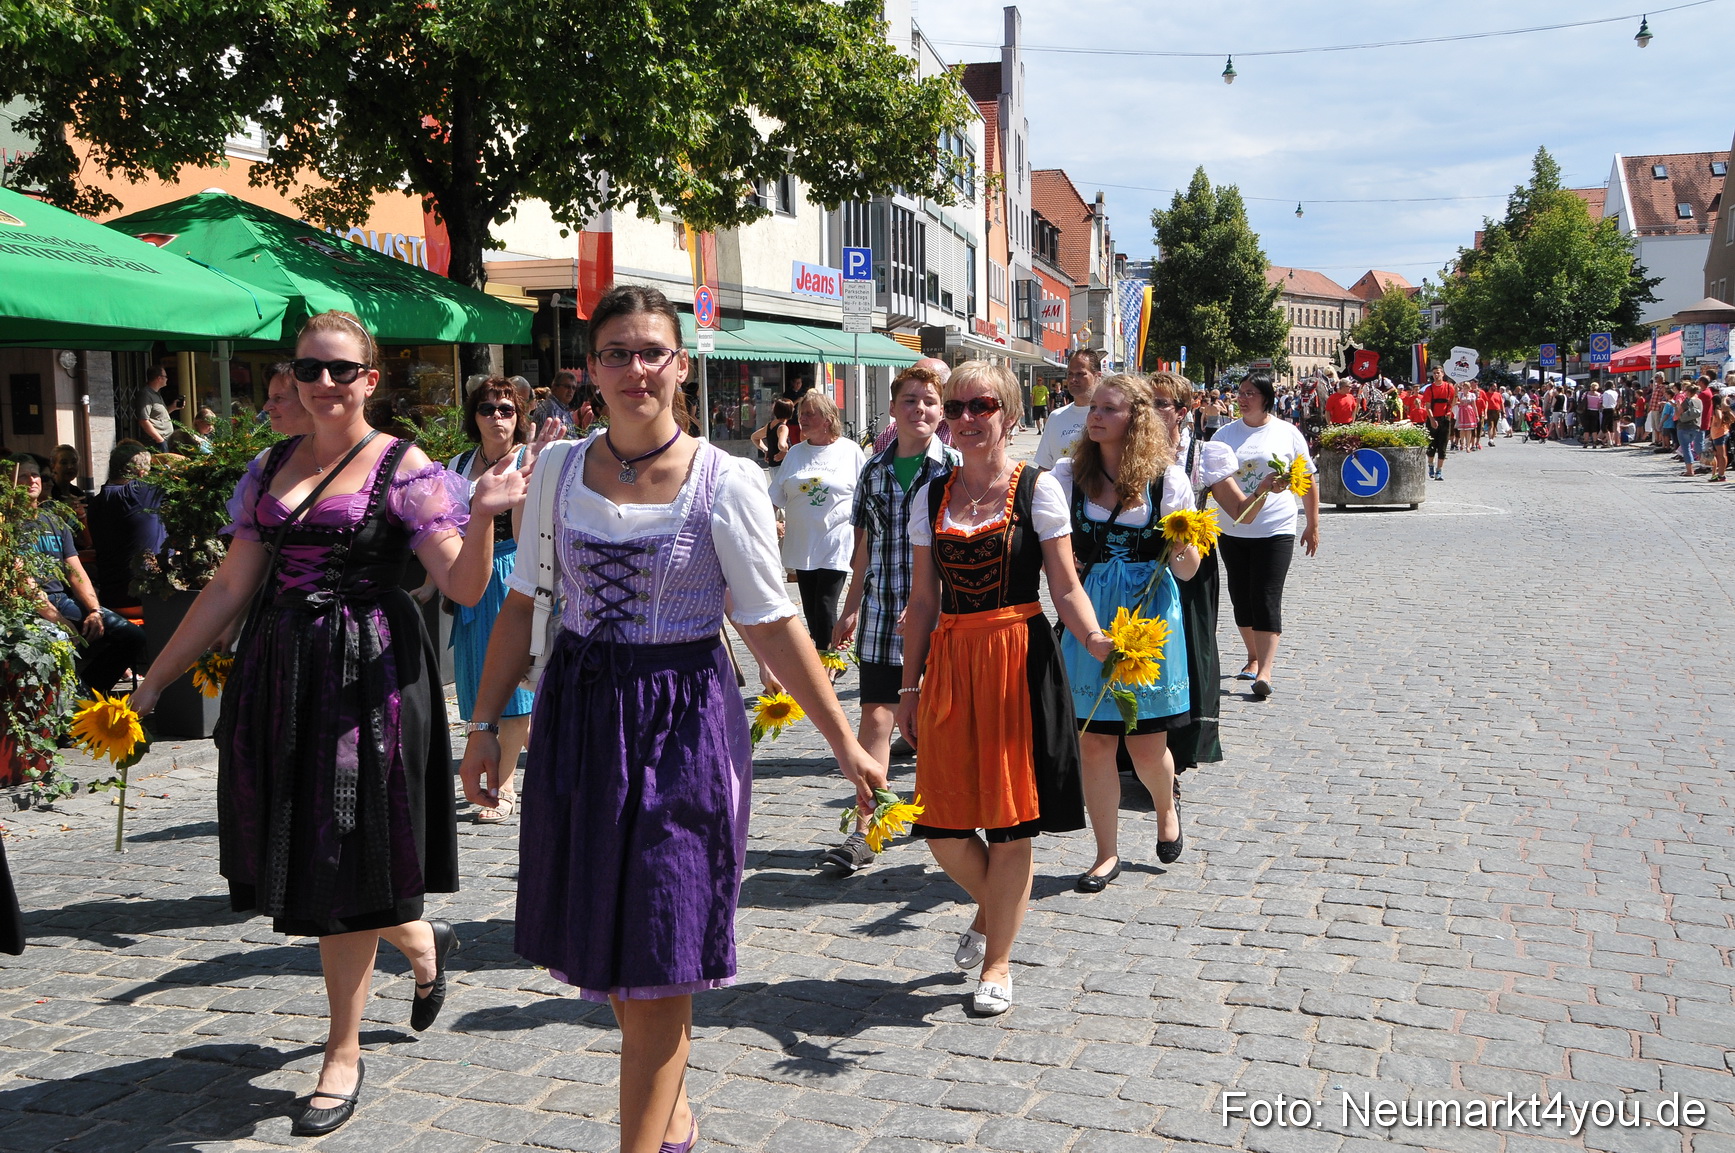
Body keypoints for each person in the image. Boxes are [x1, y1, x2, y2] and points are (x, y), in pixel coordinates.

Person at [458, 283, 884, 1153]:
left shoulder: (723, 480)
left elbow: (771, 622)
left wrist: (843, 741)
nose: (634, 368)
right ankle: (675, 1117)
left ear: (681, 365)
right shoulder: (558, 471)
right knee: (611, 958)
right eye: (616, 352)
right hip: (579, 721)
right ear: (590, 369)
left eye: (651, 351)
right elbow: (523, 605)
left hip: (681, 723)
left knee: (658, 960)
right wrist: (483, 725)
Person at [130, 310, 528, 1138]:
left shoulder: (405, 466)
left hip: (371, 678)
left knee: (343, 849)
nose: (322, 384)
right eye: (309, 369)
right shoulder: (269, 463)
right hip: (283, 675)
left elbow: (459, 587)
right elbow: (229, 589)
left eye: (341, 370)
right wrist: (157, 677)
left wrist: (485, 512)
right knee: (322, 847)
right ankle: (421, 941)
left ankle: (340, 1049)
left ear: (369, 380)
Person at [896, 361, 1112, 1017]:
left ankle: (997, 960)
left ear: (1008, 415)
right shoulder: (927, 497)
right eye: (954, 407)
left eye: (979, 406)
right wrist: (908, 687)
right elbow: (922, 599)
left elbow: (1065, 587)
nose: (964, 418)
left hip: (1018, 656)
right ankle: (993, 912)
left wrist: (1099, 641)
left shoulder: (1037, 490)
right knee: (940, 824)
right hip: (953, 661)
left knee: (1012, 825)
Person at [1052, 373, 1199, 892]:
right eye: (1094, 407)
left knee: (1144, 745)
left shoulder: (1166, 480)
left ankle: (1165, 807)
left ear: (1135, 419)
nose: (1095, 416)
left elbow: (1188, 570)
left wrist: (1182, 539)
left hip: (1148, 618)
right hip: (1090, 616)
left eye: (1109, 409)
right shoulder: (1069, 474)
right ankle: (1105, 853)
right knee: (1094, 744)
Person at [827, 365, 960, 873]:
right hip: (883, 614)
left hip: (940, 616)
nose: (919, 409)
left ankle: (945, 819)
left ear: (940, 411)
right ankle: (869, 828)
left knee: (936, 723)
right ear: (893, 409)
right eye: (910, 400)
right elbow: (863, 547)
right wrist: (851, 606)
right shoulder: (874, 470)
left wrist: (934, 601)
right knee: (876, 719)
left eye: (929, 401)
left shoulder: (951, 469)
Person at [438, 377, 541, 823]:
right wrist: (432, 581)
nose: (496, 417)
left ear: (519, 417)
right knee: (476, 679)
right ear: (473, 416)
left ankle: (504, 784)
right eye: (487, 409)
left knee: (514, 686)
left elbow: (524, 536)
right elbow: (442, 530)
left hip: (514, 571)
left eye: (506, 409)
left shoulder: (528, 460)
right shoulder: (457, 464)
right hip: (469, 575)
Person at [1209, 372, 1319, 700]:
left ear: (1267, 398)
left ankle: (1265, 670)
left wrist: (1312, 523)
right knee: (1240, 595)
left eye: (1250, 393)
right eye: (1240, 393)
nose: (1242, 399)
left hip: (1276, 526)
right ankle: (1252, 656)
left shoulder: (1286, 432)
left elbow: (1308, 478)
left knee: (1266, 594)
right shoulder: (1225, 435)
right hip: (1233, 526)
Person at [13, 454, 149, 698]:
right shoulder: (8, 525)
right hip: (29, 608)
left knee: (132, 636)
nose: (32, 480)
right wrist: (59, 621)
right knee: (59, 639)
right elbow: (24, 583)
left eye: (36, 475)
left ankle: (86, 694)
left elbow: (76, 572)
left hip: (63, 601)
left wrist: (95, 610)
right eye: (23, 475)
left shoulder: (53, 521)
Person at [1155, 371, 1236, 780]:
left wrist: (1268, 487)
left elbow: (1237, 510)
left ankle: (1183, 749)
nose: (1150, 413)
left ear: (1183, 412)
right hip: (1143, 560)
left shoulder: (1203, 454)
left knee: (1190, 644)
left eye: (1161, 404)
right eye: (1145, 404)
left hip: (1192, 559)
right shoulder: (1128, 450)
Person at [770, 391, 866, 658]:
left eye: (810, 413)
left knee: (825, 604)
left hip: (836, 540)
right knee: (811, 610)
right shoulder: (795, 454)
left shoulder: (850, 451)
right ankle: (827, 654)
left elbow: (867, 496)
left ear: (828, 419)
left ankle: (829, 661)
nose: (803, 419)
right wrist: (769, 521)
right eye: (801, 414)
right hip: (802, 543)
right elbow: (774, 497)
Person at [84, 442, 165, 610]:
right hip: (150, 600)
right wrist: (157, 458)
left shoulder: (96, 503)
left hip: (111, 599)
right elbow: (181, 465)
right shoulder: (140, 492)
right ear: (142, 473)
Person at [1034, 349, 1103, 468]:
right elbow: (1044, 467)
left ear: (1097, 376)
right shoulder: (1056, 417)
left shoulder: (1106, 416)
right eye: (1070, 374)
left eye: (1080, 374)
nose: (1073, 379)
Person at [1421, 366, 1455, 479]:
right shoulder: (1429, 389)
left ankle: (1439, 471)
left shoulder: (1449, 387)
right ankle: (1431, 465)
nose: (1436, 375)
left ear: (1443, 374)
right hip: (1433, 418)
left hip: (1445, 419)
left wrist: (1457, 392)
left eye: (1438, 373)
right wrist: (1432, 420)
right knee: (1431, 446)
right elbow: (1428, 406)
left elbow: (1452, 403)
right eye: (1434, 373)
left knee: (1443, 445)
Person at [137, 365, 178, 450]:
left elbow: (158, 416)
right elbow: (143, 420)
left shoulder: (156, 394)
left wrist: (173, 407)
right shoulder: (146, 394)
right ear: (159, 378)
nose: (167, 379)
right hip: (156, 442)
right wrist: (160, 440)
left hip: (165, 440)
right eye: (165, 376)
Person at [533, 370, 581, 436]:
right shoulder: (549, 409)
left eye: (573, 388)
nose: (571, 391)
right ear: (555, 388)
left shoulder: (564, 409)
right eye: (567, 386)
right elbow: (551, 443)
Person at [751, 397, 794, 467]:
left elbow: (754, 437)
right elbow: (782, 445)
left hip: (772, 466)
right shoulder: (783, 428)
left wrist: (765, 450)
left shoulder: (770, 425)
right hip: (783, 467)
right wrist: (786, 450)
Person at [1677, 380, 1705, 477]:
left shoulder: (1687, 401)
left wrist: (1678, 405)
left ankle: (1690, 470)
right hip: (1696, 426)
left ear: (1688, 392)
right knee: (1698, 447)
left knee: (1686, 448)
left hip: (1684, 426)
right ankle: (1706, 465)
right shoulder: (1699, 401)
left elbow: (1678, 414)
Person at [1707, 391, 1732, 482]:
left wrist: (1717, 426)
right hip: (1722, 433)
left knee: (1721, 455)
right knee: (1721, 455)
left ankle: (1721, 475)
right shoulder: (1724, 410)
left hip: (1719, 434)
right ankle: (1719, 473)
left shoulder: (1717, 410)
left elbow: (1719, 417)